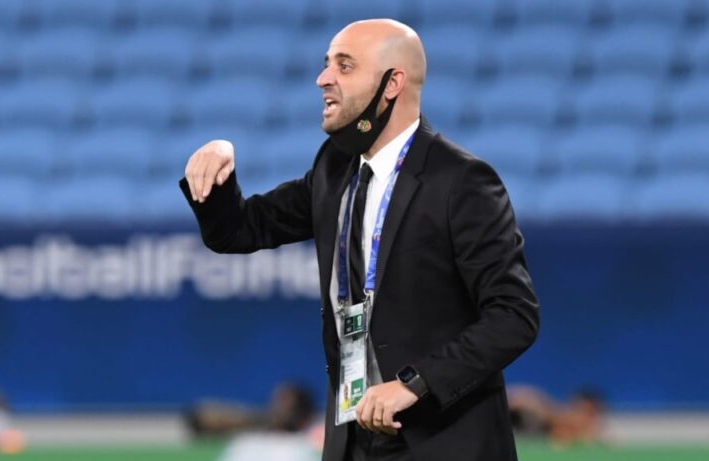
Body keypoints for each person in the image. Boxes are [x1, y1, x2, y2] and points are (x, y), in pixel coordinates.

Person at [180, 19, 539, 461]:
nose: (323, 78)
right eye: (327, 63)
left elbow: (513, 316)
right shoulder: (335, 168)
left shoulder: (461, 181)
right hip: (354, 441)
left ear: (393, 84)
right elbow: (239, 230)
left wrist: (415, 384)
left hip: (443, 441)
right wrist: (218, 167)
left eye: (344, 66)